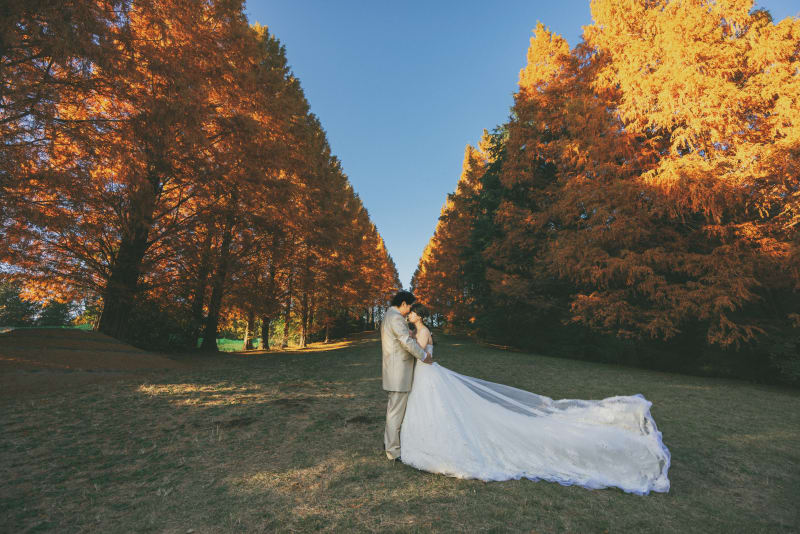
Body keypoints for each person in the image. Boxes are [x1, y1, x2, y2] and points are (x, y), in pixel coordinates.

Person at [399, 304, 671, 496]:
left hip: (428, 374)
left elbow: (426, 356)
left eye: (411, 312)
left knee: (439, 409)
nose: (409, 314)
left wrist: (408, 345)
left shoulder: (422, 331)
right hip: (426, 376)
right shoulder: (419, 331)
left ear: (419, 315)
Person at [380, 290, 432, 461]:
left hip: (394, 370)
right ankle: (393, 451)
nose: (410, 310)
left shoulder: (389, 315)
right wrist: (424, 356)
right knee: (395, 413)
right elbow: (406, 341)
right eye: (409, 306)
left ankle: (389, 443)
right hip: (398, 372)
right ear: (403, 303)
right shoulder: (395, 318)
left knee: (393, 411)